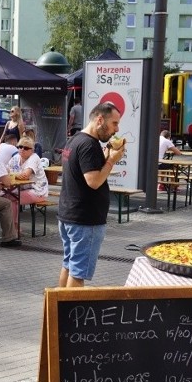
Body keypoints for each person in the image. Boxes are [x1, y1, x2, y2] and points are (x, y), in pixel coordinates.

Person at [58, 102, 125, 288]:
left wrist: (104, 159)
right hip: (85, 220)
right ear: (100, 119)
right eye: (114, 123)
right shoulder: (89, 145)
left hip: (69, 214)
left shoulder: (75, 139)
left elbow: (83, 172)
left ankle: (58, 312)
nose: (116, 129)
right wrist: (111, 161)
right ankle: (71, 315)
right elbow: (93, 181)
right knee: (78, 272)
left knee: (68, 265)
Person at [5, 137, 49, 235]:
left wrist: (12, 174)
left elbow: (25, 175)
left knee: (12, 198)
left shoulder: (34, 157)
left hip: (38, 191)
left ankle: (14, 228)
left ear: (32, 150)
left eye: (26, 148)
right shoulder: (16, 157)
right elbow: (5, 171)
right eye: (20, 147)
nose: (22, 149)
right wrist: (15, 174)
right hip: (22, 189)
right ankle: (12, 228)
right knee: (4, 196)